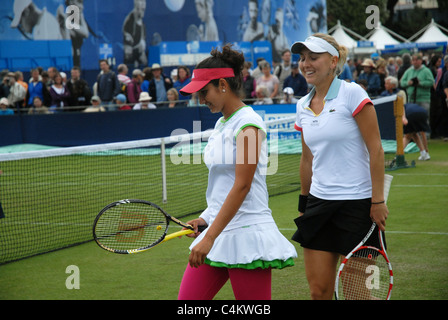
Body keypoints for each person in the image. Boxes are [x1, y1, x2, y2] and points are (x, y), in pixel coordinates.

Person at [177, 44, 297, 300]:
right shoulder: (222, 123)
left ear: (223, 84)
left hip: (247, 233)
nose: (201, 99)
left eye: (204, 92)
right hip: (218, 231)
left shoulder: (249, 124)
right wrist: (205, 218)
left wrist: (209, 237)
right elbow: (221, 185)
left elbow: (242, 185)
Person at [290, 33, 389, 300]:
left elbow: (376, 149)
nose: (306, 64)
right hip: (319, 205)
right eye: (302, 58)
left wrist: (377, 201)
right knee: (318, 292)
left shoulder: (352, 93)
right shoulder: (302, 105)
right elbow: (307, 158)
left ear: (333, 61)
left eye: (314, 57)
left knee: (357, 295)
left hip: (358, 206)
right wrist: (304, 200)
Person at [123, 0, 148, 67]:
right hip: (131, 59)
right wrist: (137, 49)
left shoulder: (142, 23)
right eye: (141, 9)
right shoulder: (129, 22)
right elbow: (128, 52)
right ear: (136, 7)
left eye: (144, 9)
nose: (142, 12)